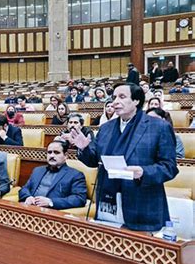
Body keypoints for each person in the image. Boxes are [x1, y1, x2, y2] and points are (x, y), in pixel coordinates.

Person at [72, 83, 178, 231]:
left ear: (136, 101)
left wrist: (143, 172)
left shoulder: (159, 127)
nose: (115, 101)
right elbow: (94, 161)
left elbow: (170, 167)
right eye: (114, 97)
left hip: (142, 204)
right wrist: (83, 148)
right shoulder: (106, 128)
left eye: (122, 97)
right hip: (108, 204)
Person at [19, 141, 87, 209]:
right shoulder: (38, 170)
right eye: (49, 152)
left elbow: (79, 199)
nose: (52, 155)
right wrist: (28, 197)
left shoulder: (75, 175)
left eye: (56, 152)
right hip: (30, 208)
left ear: (65, 155)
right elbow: (24, 188)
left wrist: (51, 202)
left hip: (51, 213)